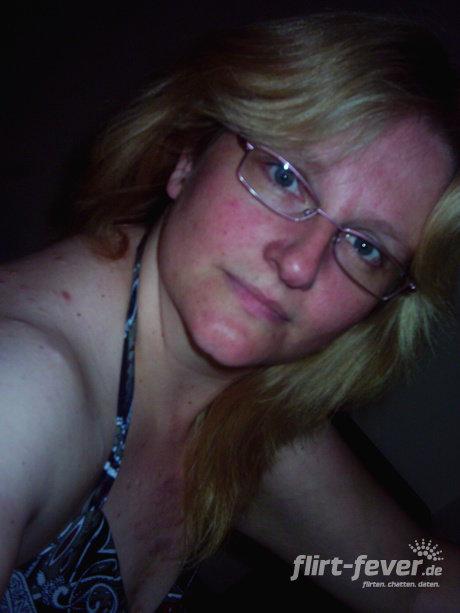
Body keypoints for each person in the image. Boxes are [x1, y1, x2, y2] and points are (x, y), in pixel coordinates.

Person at [1, 10, 460, 612]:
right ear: (188, 158)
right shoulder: (25, 389)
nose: (299, 265)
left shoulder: (237, 408)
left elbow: (411, 583)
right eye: (285, 176)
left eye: (366, 247)